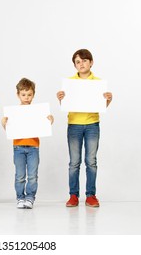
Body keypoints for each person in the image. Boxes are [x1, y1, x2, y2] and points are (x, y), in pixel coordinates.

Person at [56, 49, 113, 207]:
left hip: (92, 125)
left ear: (91, 62)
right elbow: (67, 105)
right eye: (77, 62)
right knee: (74, 162)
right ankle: (73, 195)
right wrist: (61, 99)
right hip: (74, 124)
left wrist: (108, 100)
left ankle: (91, 196)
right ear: (75, 65)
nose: (81, 64)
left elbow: (102, 106)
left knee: (91, 161)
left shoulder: (98, 83)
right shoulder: (70, 83)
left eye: (84, 60)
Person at [1, 78, 54, 209]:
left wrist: (49, 121)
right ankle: (20, 198)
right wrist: (4, 123)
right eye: (23, 94)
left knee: (32, 175)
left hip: (33, 148)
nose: (26, 97)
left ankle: (30, 198)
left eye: (29, 94)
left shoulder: (38, 111)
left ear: (33, 95)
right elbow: (10, 130)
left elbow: (44, 126)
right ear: (18, 95)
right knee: (20, 175)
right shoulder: (13, 112)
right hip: (18, 147)